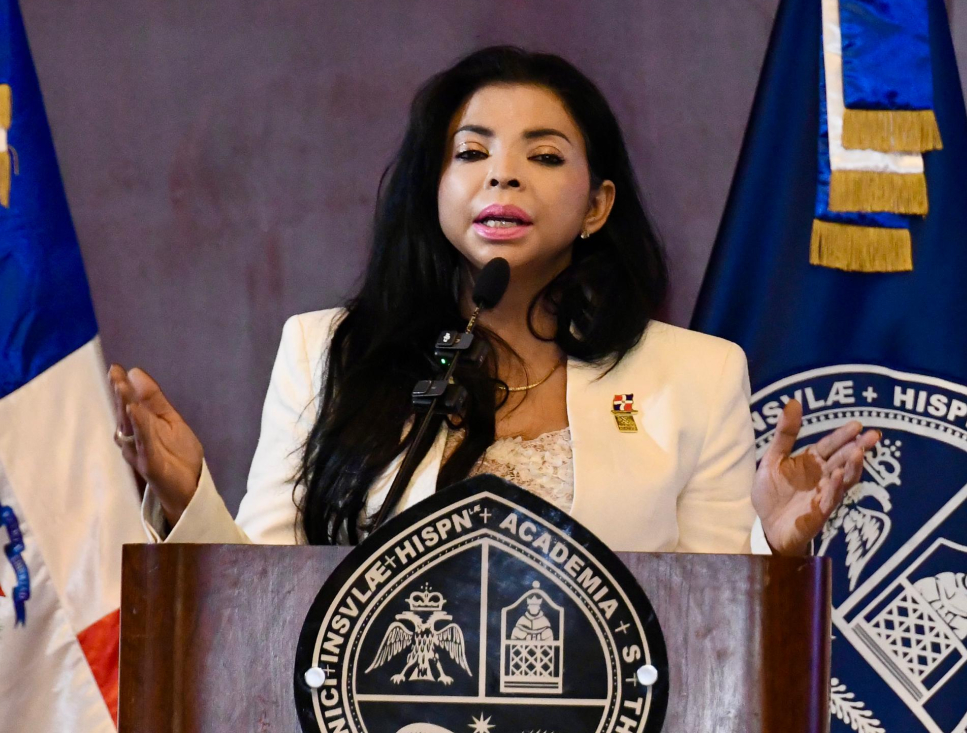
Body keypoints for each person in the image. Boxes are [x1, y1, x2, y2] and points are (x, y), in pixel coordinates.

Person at [107, 45, 871, 555]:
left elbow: (711, 624)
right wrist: (186, 503)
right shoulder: (329, 351)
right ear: (433, 189)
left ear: (597, 205)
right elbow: (265, 598)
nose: (502, 176)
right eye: (471, 153)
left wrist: (767, 543)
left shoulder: (696, 375)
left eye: (542, 156)